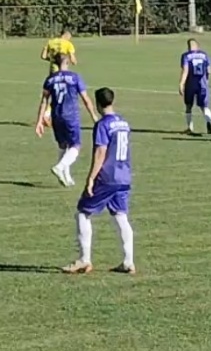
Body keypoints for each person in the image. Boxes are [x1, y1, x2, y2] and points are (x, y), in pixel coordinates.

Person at [64, 87, 137, 275]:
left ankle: (84, 259)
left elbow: (100, 152)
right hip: (124, 175)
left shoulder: (102, 124)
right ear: (113, 101)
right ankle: (128, 261)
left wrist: (91, 178)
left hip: (107, 177)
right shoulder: (124, 123)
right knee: (120, 216)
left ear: (97, 104)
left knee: (82, 213)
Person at [33, 55, 100, 187]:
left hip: (56, 116)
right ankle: (60, 167)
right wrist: (94, 116)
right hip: (71, 116)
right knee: (76, 146)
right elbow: (85, 99)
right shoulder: (74, 77)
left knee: (63, 145)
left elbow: (44, 101)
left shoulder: (50, 79)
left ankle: (66, 176)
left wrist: (39, 121)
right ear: (68, 62)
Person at [178, 38, 211, 135]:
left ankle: (190, 128)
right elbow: (209, 70)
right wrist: (206, 81)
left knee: (188, 106)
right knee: (204, 106)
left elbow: (185, 70)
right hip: (202, 83)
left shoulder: (186, 56)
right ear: (197, 45)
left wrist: (181, 83)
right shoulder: (204, 55)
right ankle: (209, 123)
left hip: (190, 84)